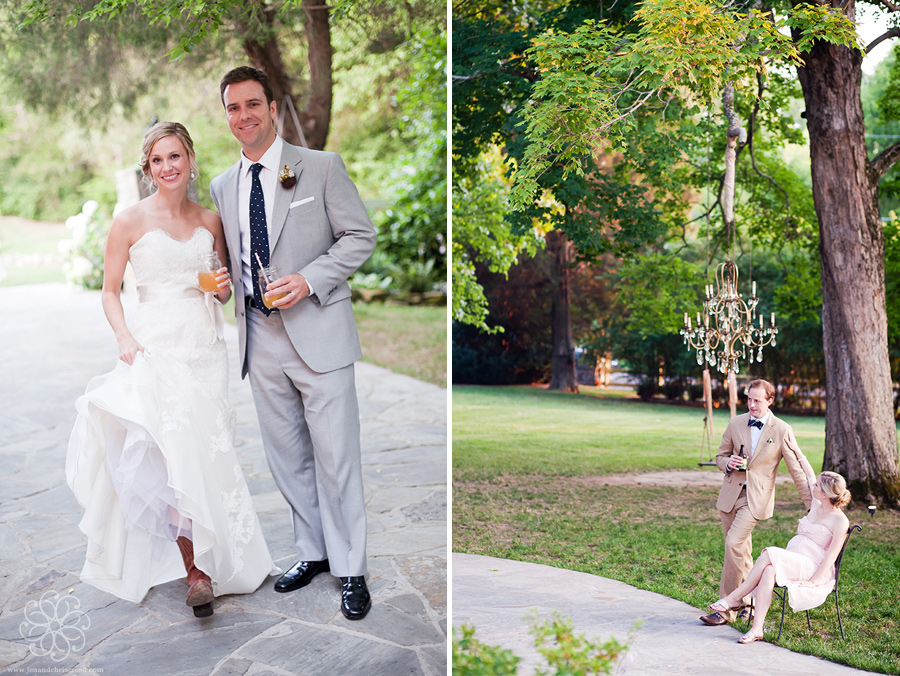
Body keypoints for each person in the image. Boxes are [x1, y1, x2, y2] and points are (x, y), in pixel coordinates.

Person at [67, 122, 277, 618]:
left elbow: (224, 291)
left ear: (190, 160)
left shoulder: (210, 219)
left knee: (209, 451)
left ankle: (221, 555)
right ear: (148, 168)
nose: (168, 167)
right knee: (172, 456)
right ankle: (195, 571)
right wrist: (124, 337)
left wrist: (222, 285)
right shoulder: (129, 221)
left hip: (205, 347)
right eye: (158, 160)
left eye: (175, 156)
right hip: (156, 348)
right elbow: (109, 290)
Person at [209, 67, 377, 620]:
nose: (244, 116)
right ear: (227, 115)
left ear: (273, 108)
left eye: (252, 104)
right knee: (287, 458)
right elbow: (230, 257)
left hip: (319, 331)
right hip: (260, 338)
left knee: (337, 456)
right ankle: (314, 552)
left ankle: (351, 568)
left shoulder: (320, 167)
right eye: (234, 108)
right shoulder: (222, 185)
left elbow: (360, 236)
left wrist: (309, 279)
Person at [700, 378, 812, 626]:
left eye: (757, 400)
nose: (751, 405)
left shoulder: (781, 429)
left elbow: (796, 472)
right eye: (749, 399)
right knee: (740, 552)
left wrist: (812, 506)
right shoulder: (735, 423)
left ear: (770, 400)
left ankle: (725, 608)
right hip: (730, 496)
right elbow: (720, 456)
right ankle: (749, 604)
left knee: (733, 544)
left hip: (756, 499)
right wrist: (726, 463)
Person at [708, 461, 851, 644]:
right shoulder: (817, 505)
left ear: (824, 494)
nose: (812, 486)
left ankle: (734, 598)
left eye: (816, 485)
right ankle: (757, 628)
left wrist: (814, 580)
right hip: (794, 562)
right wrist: (796, 452)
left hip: (812, 569)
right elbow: (808, 475)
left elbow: (832, 555)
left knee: (769, 553)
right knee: (768, 572)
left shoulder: (840, 521)